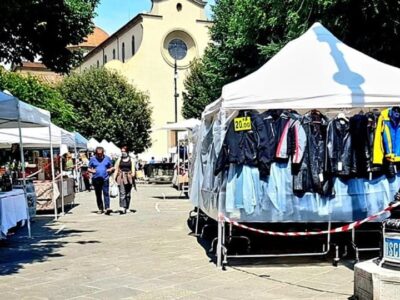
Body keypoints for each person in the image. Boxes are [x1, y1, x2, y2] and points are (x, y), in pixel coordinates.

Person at [88, 147, 114, 215]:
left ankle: (107, 208)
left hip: (105, 178)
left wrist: (110, 169)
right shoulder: (92, 159)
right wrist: (92, 171)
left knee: (106, 193)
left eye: (101, 153)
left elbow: (112, 167)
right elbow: (88, 168)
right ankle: (100, 208)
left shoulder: (107, 158)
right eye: (98, 154)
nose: (99, 155)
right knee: (98, 194)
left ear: (103, 153)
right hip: (96, 179)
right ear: (96, 153)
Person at [114, 147, 136, 214]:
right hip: (121, 177)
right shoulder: (119, 159)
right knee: (122, 192)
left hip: (129, 177)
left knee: (128, 194)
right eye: (122, 151)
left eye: (124, 151)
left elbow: (133, 169)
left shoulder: (131, 160)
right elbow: (116, 169)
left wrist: (132, 174)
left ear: (127, 152)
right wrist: (113, 179)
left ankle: (127, 207)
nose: (123, 152)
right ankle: (122, 207)